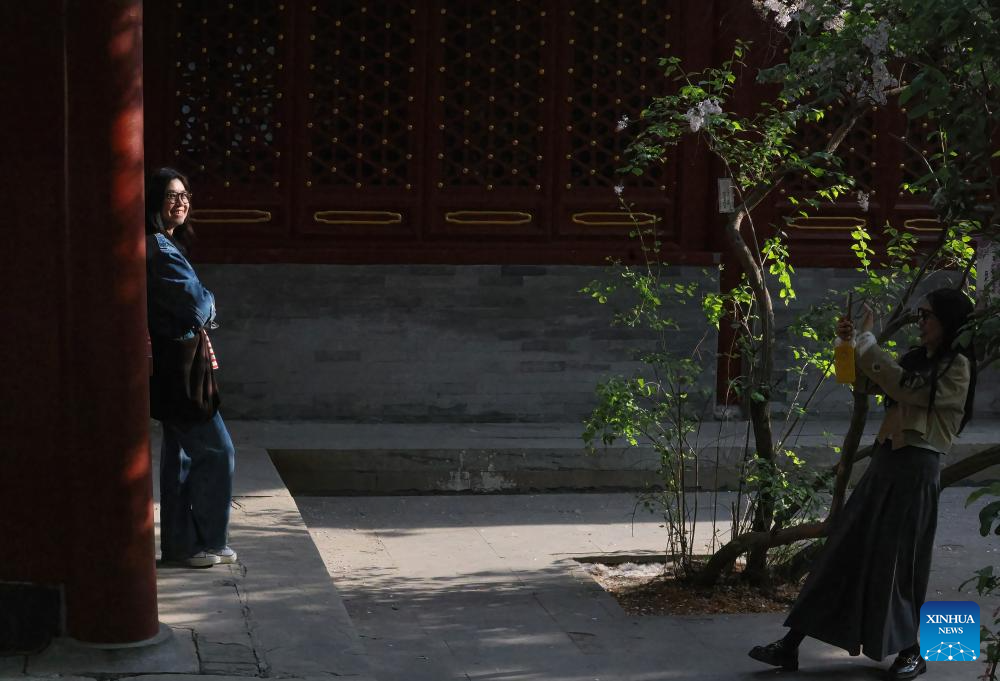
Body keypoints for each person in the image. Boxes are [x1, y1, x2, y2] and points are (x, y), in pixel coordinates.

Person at [749, 287, 976, 679]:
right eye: (919, 315)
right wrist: (847, 343)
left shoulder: (957, 367)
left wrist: (868, 341)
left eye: (927, 316)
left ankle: (912, 651)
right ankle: (790, 644)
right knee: (841, 550)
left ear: (949, 320)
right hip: (885, 465)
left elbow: (902, 386)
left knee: (899, 562)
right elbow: (858, 380)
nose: (920, 323)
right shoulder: (915, 359)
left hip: (916, 470)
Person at [145, 167, 237, 569]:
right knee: (218, 451)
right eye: (171, 195)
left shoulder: (163, 245)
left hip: (173, 362)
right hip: (180, 367)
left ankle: (182, 546)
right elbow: (198, 307)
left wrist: (203, 301)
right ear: (153, 201)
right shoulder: (161, 249)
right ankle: (209, 541)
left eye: (184, 195)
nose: (180, 202)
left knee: (181, 457)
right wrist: (210, 300)